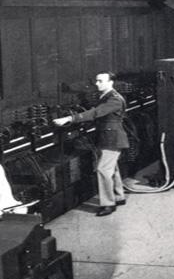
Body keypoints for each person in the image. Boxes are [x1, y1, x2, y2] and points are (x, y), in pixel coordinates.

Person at [53, 71, 128, 217]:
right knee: (112, 169)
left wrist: (70, 118)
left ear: (110, 82)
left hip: (112, 139)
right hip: (108, 137)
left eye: (101, 81)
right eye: (97, 81)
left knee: (103, 169)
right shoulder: (106, 97)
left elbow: (96, 113)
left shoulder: (114, 99)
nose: (97, 84)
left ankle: (108, 204)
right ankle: (119, 196)